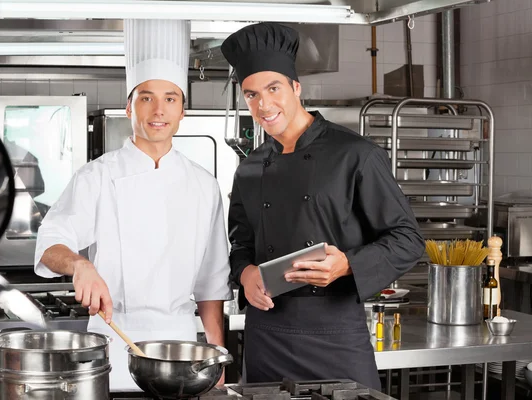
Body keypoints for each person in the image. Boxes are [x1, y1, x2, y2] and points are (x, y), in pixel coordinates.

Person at [221, 22, 425, 390]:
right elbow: (241, 245)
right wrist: (246, 273)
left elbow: (408, 239)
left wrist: (348, 264)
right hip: (266, 335)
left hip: (333, 334)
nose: (264, 105)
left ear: (296, 88)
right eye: (252, 95)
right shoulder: (250, 168)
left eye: (273, 89)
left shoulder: (355, 154)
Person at [34, 19, 232, 391]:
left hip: (182, 352)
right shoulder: (96, 177)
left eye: (170, 99)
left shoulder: (204, 185)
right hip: (111, 344)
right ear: (129, 108)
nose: (159, 109)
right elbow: (49, 245)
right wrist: (79, 264)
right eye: (146, 97)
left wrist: (216, 355)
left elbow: (211, 282)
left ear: (182, 111)